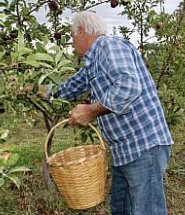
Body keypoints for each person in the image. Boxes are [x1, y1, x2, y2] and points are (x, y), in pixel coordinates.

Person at [53, 11, 174, 215]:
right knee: (120, 208)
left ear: (82, 31)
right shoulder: (92, 63)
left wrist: (90, 111)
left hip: (144, 145)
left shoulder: (108, 47)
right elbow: (67, 88)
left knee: (146, 210)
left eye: (72, 37)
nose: (71, 43)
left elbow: (128, 86)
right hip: (124, 151)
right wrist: (35, 89)